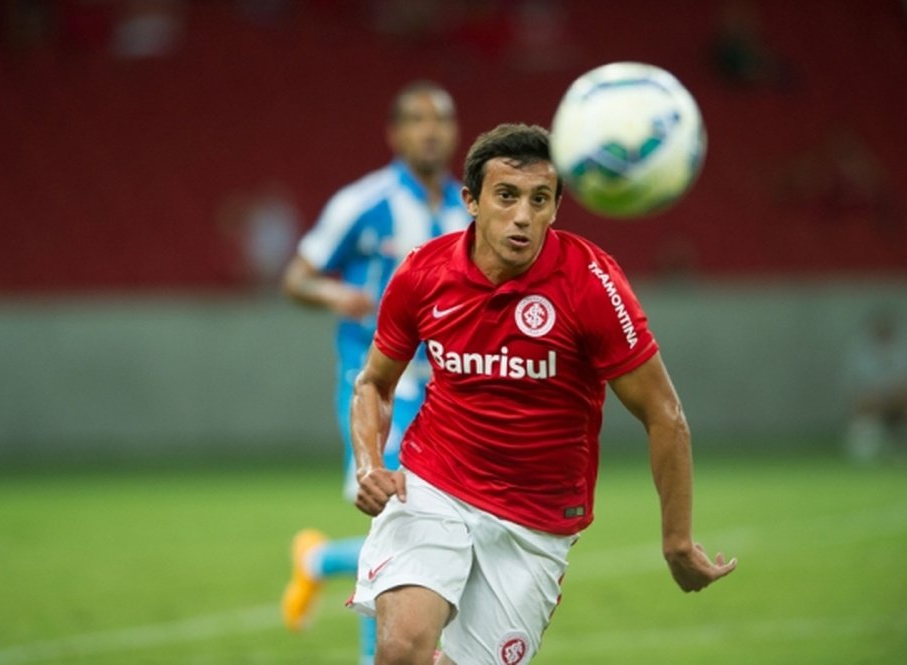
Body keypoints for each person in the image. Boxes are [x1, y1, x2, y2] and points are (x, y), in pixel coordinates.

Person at [347, 123, 736, 665]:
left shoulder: (592, 283)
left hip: (536, 522)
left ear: (556, 207)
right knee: (400, 648)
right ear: (472, 201)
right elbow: (373, 384)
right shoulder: (423, 272)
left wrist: (676, 540)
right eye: (506, 196)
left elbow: (664, 414)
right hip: (434, 484)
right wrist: (369, 463)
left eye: (540, 199)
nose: (523, 216)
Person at [279, 81, 469, 664]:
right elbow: (296, 277)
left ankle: (316, 561)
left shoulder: (469, 208)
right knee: (396, 519)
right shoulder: (363, 201)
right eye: (416, 119)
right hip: (378, 384)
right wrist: (337, 295)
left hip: (447, 389)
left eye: (440, 119)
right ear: (395, 133)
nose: (430, 129)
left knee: (442, 525)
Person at [843, 310, 907, 462]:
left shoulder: (902, 350)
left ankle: (900, 445)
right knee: (865, 403)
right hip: (870, 399)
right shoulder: (860, 353)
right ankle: (865, 447)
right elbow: (851, 383)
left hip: (898, 398)